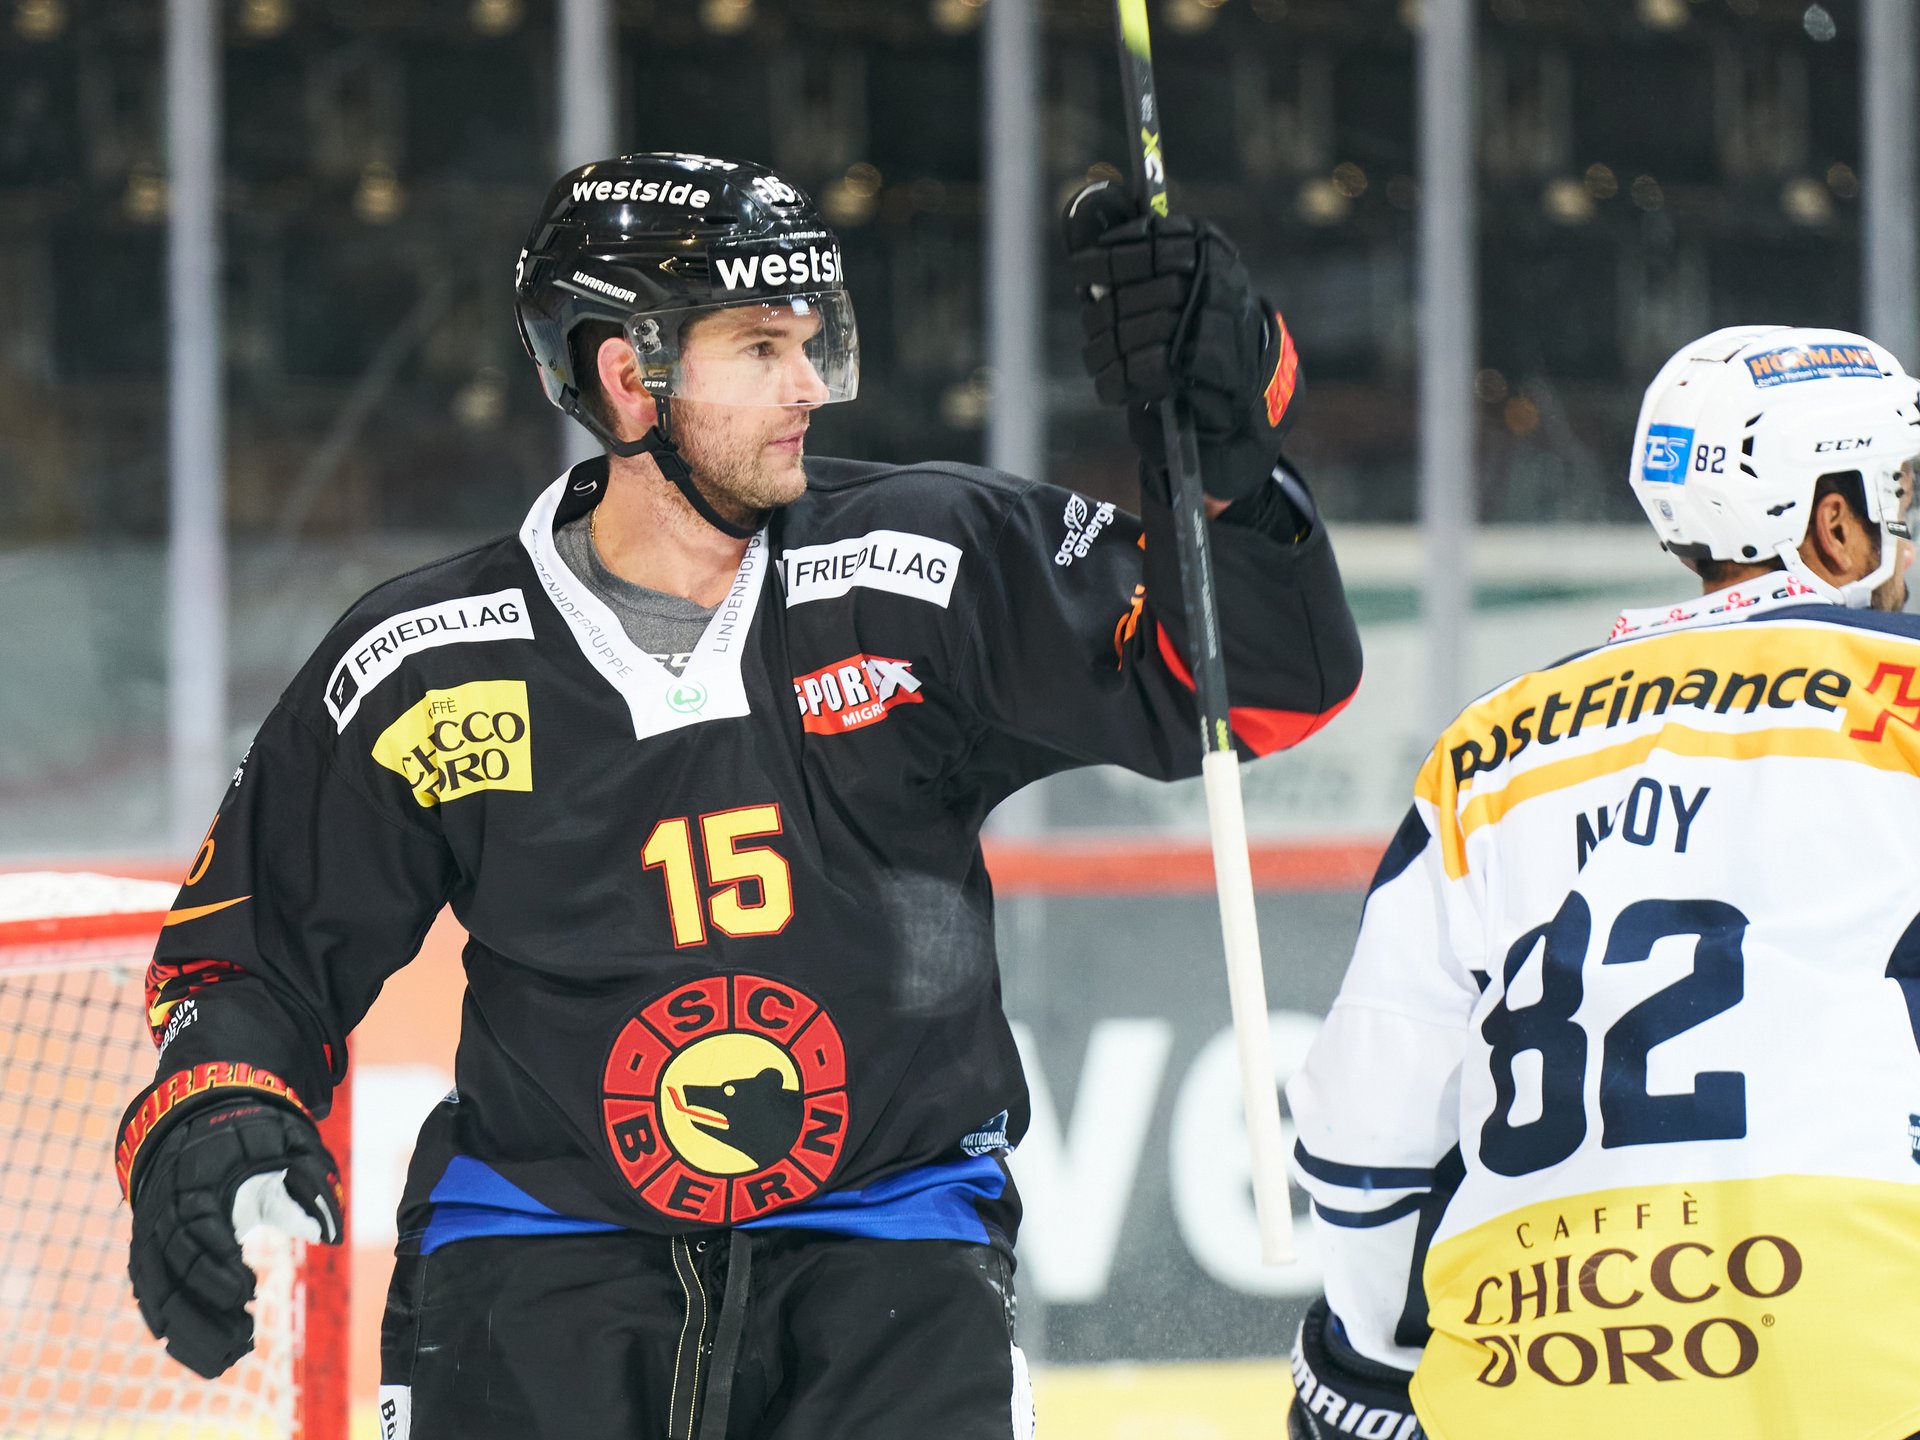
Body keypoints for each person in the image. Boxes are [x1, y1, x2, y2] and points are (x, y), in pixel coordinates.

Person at [116, 152, 1362, 1439]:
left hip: (891, 1244)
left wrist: (1226, 453)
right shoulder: (427, 662)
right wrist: (217, 1106)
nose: (808, 384)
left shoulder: (927, 566)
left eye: (812, 342)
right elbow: (252, 956)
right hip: (542, 1255)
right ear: (627, 375)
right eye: (762, 347)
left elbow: (1265, 689)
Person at [1283, 324, 1920, 1440]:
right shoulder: (1903, 698)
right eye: (1898, 500)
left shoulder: (1489, 749)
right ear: (1834, 525)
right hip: (1858, 1369)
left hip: (1534, 1385)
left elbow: (1360, 1133)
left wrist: (1374, 1362)